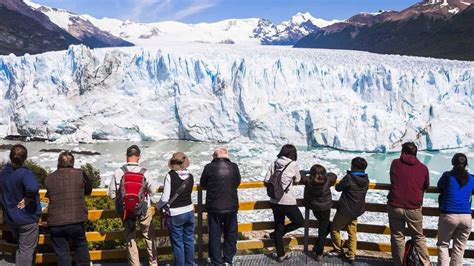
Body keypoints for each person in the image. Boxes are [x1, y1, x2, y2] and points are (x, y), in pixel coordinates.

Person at [108, 145, 158, 266]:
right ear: (139, 157)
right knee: (149, 236)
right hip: (143, 208)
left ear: (126, 156)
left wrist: (125, 200)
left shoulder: (119, 172)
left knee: (131, 238)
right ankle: (153, 263)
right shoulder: (145, 172)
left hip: (126, 210)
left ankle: (135, 264)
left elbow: (111, 194)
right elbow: (153, 191)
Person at [45, 151, 92, 266]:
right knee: (81, 247)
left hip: (56, 222)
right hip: (77, 219)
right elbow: (88, 189)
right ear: (73, 162)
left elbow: (51, 193)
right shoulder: (80, 174)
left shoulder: (49, 178)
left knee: (62, 253)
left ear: (58, 163)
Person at [387, 142, 430, 266]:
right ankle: (426, 263)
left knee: (397, 236)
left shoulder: (395, 163)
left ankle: (399, 263)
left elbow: (393, 179)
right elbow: (425, 185)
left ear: (403, 152)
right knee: (418, 237)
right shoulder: (423, 168)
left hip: (395, 205)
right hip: (414, 207)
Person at [0, 144, 41, 265]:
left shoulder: (3, 174)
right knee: (26, 251)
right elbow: (33, 188)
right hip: (26, 219)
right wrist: (28, 198)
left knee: (21, 248)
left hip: (11, 218)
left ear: (10, 156)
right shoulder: (25, 173)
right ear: (25, 158)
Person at [200, 147, 241, 265]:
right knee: (231, 234)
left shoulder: (209, 167)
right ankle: (228, 259)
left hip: (214, 207)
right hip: (231, 206)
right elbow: (237, 182)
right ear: (226, 155)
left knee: (214, 235)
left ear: (214, 156)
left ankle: (216, 261)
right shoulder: (234, 167)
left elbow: (203, 183)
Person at [264, 144, 304, 262]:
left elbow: (266, 179)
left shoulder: (275, 163)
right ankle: (276, 234)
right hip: (287, 201)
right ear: (292, 154)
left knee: (279, 225)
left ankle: (280, 254)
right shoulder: (293, 164)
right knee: (299, 222)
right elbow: (298, 179)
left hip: (274, 200)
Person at [157, 152, 195, 266]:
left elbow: (165, 198)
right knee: (189, 240)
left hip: (176, 214)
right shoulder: (190, 176)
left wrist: (157, 206)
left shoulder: (170, 176)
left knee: (178, 244)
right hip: (189, 211)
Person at [436, 153, 474, 266]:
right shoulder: (471, 178)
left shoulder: (447, 176)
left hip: (449, 215)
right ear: (466, 164)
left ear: (452, 163)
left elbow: (439, 186)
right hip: (466, 217)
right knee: (459, 248)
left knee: (443, 245)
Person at [330, 157, 369, 263]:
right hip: (356, 210)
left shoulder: (349, 178)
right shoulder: (366, 179)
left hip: (345, 209)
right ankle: (351, 254)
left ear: (355, 166)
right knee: (352, 232)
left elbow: (338, 188)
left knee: (334, 229)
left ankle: (338, 249)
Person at [302, 164, 337, 261]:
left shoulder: (308, 181)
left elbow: (300, 175)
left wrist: (307, 172)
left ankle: (317, 246)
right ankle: (319, 253)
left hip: (314, 208)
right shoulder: (328, 181)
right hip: (325, 209)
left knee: (325, 226)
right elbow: (334, 175)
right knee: (323, 230)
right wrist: (326, 173)